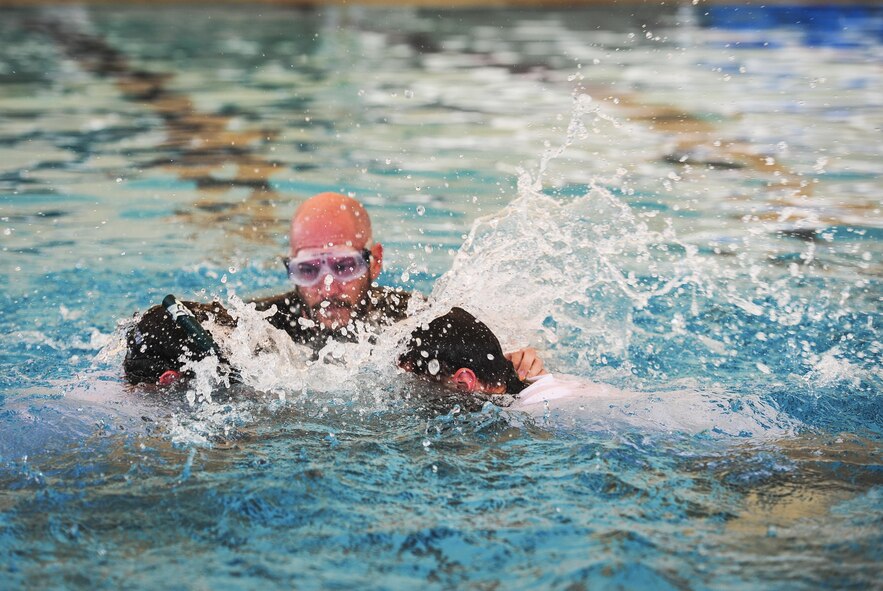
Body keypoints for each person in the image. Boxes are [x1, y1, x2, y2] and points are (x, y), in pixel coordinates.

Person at [124, 192, 544, 385]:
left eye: (344, 265)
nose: (328, 286)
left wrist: (516, 361)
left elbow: (483, 357)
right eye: (308, 270)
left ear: (374, 261)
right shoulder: (266, 321)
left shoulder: (413, 317)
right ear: (290, 270)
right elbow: (190, 323)